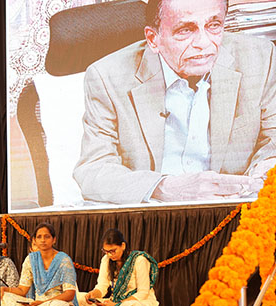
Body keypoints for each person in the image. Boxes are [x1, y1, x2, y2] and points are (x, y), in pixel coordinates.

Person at [73, 0, 276, 204]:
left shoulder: (260, 58)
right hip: (154, 213)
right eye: (185, 30)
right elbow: (93, 170)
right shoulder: (107, 76)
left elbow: (272, 140)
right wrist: (162, 188)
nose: (204, 43)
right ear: (153, 39)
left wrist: (263, 171)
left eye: (214, 25)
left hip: (236, 210)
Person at [0, 223, 83, 306]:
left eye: (47, 237)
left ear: (54, 240)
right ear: (34, 240)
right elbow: (22, 290)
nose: (43, 240)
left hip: (58, 305)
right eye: (39, 237)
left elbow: (69, 294)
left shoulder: (64, 260)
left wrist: (44, 302)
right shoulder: (30, 260)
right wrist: (5, 289)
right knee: (5, 298)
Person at [78, 229, 160, 306]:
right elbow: (102, 286)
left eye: (113, 251)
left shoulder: (139, 260)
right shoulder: (106, 260)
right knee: (78, 299)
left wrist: (117, 305)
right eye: (106, 251)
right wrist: (93, 294)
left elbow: (143, 293)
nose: (109, 255)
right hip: (113, 303)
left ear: (123, 246)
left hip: (138, 302)